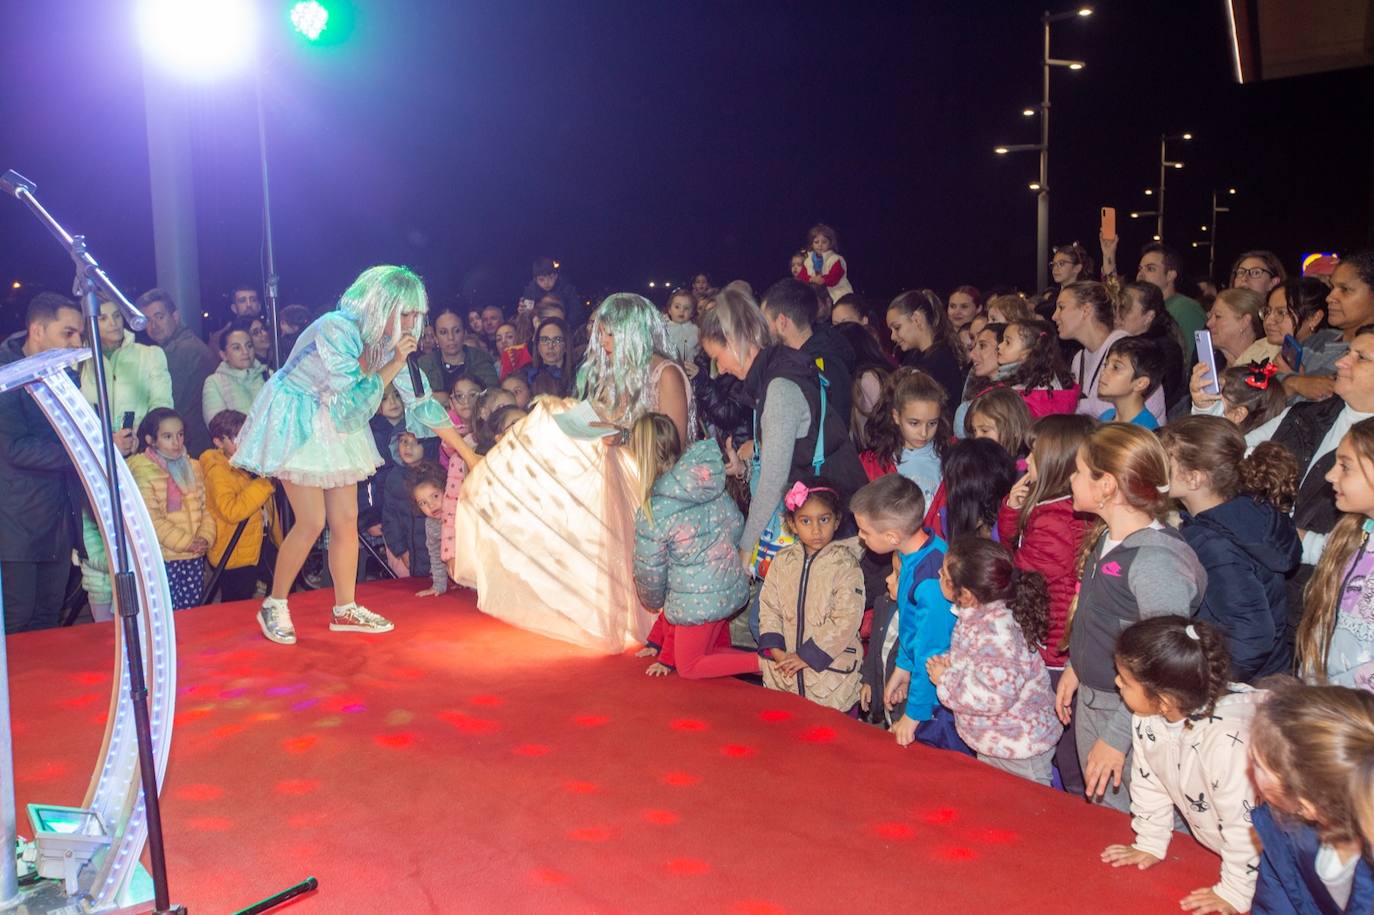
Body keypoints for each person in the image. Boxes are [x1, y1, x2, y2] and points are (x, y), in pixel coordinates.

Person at [233, 265, 462, 644]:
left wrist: (468, 454)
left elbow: (421, 405)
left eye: (415, 314)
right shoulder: (337, 327)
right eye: (404, 313)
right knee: (311, 520)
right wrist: (392, 364)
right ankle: (273, 604)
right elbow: (352, 406)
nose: (411, 322)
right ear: (381, 305)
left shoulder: (387, 343)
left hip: (334, 419)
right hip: (299, 414)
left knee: (346, 518)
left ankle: (345, 608)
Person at [449, 293, 687, 653]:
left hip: (650, 484)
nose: (604, 343)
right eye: (601, 335)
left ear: (632, 332)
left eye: (610, 335)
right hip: (615, 478)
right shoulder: (613, 374)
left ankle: (654, 627)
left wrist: (621, 436)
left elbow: (674, 443)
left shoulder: (664, 373)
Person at [1055, 423, 1207, 813]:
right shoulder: (1109, 536)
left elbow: (1163, 665)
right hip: (1099, 700)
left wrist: (1116, 737)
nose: (1071, 479)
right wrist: (1077, 665)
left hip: (1130, 716)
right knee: (1104, 811)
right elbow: (1106, 618)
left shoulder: (1155, 563)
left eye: (1078, 470)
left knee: (1132, 819)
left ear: (1106, 486)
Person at [1101, 617, 1263, 915]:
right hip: (1227, 845)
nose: (1116, 683)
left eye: (1124, 681)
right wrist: (1149, 842)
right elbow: (1150, 782)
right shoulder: (1147, 718)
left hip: (1270, 860)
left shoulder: (1228, 743)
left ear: (1164, 700)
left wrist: (1236, 891)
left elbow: (1246, 826)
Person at [702, 293, 865, 575]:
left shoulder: (777, 388)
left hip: (833, 523)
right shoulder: (777, 372)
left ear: (737, 340)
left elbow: (774, 479)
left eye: (718, 357)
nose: (720, 369)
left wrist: (746, 545)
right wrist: (743, 468)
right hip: (828, 514)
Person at [1159, 416, 1300, 682]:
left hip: (1246, 687)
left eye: (1166, 461)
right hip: (1269, 672)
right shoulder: (1246, 512)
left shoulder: (1212, 543)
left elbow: (1252, 636)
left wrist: (1206, 686)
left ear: (1194, 479)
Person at [999, 413, 1096, 795]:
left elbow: (1021, 576)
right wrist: (1012, 507)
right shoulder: (1052, 510)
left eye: (1034, 455)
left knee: (1064, 743)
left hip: (1054, 648)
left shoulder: (1054, 521)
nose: (1025, 462)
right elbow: (1016, 549)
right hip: (1055, 641)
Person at [928, 537, 1061, 784]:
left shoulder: (996, 631)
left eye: (943, 574)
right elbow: (981, 664)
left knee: (1026, 813)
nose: (937, 573)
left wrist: (945, 679)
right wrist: (952, 665)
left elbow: (994, 696)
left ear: (965, 594)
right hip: (998, 739)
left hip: (1019, 747)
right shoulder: (979, 615)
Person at [633, 414, 756, 679]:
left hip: (698, 602)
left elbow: (650, 574)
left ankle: (763, 664)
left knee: (689, 667)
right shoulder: (704, 482)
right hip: (729, 587)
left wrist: (654, 602)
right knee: (713, 657)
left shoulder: (654, 510)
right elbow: (735, 524)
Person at [851, 474, 958, 750]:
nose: (861, 538)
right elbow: (912, 628)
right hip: (923, 681)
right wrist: (903, 667)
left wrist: (914, 714)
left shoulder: (932, 581)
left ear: (891, 536)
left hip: (939, 703)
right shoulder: (914, 555)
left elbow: (931, 650)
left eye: (865, 532)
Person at [1249, 683, 1374, 914]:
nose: (1248, 767)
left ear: (1307, 804)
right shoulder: (1282, 827)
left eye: (1257, 763)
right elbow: (1275, 902)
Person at [0, 293, 83, 633]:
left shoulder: (64, 376)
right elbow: (15, 449)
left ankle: (42, 688)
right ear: (37, 330)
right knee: (18, 620)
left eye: (79, 333)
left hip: (59, 518)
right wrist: (80, 451)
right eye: (68, 333)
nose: (77, 342)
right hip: (16, 523)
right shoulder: (6, 377)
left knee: (49, 616)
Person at [757, 478, 864, 709]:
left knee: (832, 741)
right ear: (792, 524)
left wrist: (806, 656)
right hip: (785, 675)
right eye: (805, 521)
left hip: (831, 681)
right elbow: (769, 607)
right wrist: (777, 652)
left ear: (836, 521)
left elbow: (846, 619)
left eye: (824, 520)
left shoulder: (846, 564)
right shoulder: (782, 562)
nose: (816, 530)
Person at [1297, 417, 1374, 691]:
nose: (1330, 475)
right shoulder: (1354, 531)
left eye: (1345, 466)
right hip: (1322, 699)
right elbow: (1319, 547)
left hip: (1354, 717)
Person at [129, 408, 216, 610]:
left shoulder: (193, 466)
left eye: (180, 434)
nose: (177, 442)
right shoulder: (143, 470)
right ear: (150, 439)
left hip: (193, 555)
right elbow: (151, 519)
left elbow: (206, 508)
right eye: (168, 436)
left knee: (191, 613)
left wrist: (204, 538)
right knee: (165, 613)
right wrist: (186, 542)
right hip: (163, 557)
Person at [1053, 281, 1165, 423]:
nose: (1054, 316)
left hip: (1137, 438)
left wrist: (1062, 403)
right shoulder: (1079, 358)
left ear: (1086, 310)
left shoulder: (1127, 352)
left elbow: (1104, 408)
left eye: (1061, 307)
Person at [200, 409, 276, 602]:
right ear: (218, 441)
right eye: (236, 438)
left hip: (253, 547)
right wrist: (262, 485)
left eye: (247, 435)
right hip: (234, 554)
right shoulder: (217, 471)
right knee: (235, 606)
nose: (243, 442)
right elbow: (231, 511)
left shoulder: (243, 463)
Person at [761, 278, 855, 428]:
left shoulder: (822, 366)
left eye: (766, 322)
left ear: (782, 322)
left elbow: (829, 430)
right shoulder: (807, 358)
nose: (763, 330)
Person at [139, 288, 221, 457]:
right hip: (197, 445)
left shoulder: (179, 352)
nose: (153, 326)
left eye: (160, 317)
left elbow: (166, 409)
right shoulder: (187, 343)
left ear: (175, 317)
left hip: (189, 448)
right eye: (147, 320)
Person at [859, 368, 950, 507]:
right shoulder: (873, 463)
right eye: (914, 423)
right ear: (896, 416)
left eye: (932, 423)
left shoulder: (951, 457)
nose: (924, 433)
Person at [1116, 281, 1186, 412]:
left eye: (1125, 308)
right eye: (1117, 306)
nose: (1117, 314)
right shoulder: (1120, 341)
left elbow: (1152, 399)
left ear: (1148, 317)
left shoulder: (1164, 350)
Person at [886, 289, 964, 405]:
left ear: (917, 319)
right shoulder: (913, 357)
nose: (892, 337)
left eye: (897, 328)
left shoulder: (940, 361)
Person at [1135, 242, 1206, 363]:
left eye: (1150, 268)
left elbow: (1188, 360)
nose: (1140, 275)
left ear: (1170, 275)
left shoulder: (1186, 309)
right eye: (1140, 268)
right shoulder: (1149, 309)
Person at [997, 318, 1080, 419]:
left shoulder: (1024, 388)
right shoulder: (1046, 379)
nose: (999, 346)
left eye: (1007, 342)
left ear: (1026, 353)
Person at [417, 304, 499, 398]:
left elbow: (493, 395)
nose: (451, 337)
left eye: (456, 331)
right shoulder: (424, 365)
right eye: (443, 332)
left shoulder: (481, 359)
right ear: (435, 337)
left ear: (464, 332)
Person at [203, 317, 269, 422]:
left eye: (249, 346)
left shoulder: (268, 375)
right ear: (224, 355)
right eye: (237, 348)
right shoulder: (214, 382)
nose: (245, 352)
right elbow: (217, 425)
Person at [1095, 336, 1166, 429]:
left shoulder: (1144, 431)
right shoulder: (1105, 417)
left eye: (1116, 367)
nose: (1103, 372)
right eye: (1106, 365)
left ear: (1141, 383)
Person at [405, 460, 448, 598]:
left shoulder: (463, 512)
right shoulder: (431, 524)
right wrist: (439, 586)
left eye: (435, 496)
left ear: (446, 490)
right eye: (423, 503)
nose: (431, 505)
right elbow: (435, 555)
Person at [1208, 287, 1269, 367]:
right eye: (1209, 316)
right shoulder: (1210, 365)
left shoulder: (1267, 367)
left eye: (1218, 316)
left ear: (1244, 322)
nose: (1209, 323)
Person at [965, 386, 1032, 458]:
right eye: (974, 431)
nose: (977, 437)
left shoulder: (1027, 465)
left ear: (1014, 429)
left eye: (985, 430)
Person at [795, 223, 853, 303]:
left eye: (824, 242)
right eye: (816, 242)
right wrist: (811, 279)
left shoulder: (835, 259)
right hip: (818, 298)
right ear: (812, 244)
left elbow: (834, 278)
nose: (820, 245)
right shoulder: (808, 260)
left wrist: (822, 280)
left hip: (837, 295)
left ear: (830, 243)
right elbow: (801, 276)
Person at [521, 256, 583, 327]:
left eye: (551, 277)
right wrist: (523, 314)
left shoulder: (567, 290)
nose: (546, 282)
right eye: (541, 280)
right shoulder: (530, 292)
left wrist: (562, 327)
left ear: (556, 276)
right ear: (535, 280)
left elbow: (577, 314)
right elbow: (525, 322)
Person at [526, 316, 574, 398]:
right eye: (545, 340)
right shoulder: (528, 375)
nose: (550, 346)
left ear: (566, 345)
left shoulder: (577, 377)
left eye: (557, 340)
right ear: (538, 346)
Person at [662, 287, 700, 364]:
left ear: (692, 313)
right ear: (669, 310)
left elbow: (697, 351)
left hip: (689, 369)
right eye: (677, 307)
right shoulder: (663, 328)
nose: (681, 311)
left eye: (686, 308)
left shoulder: (696, 330)